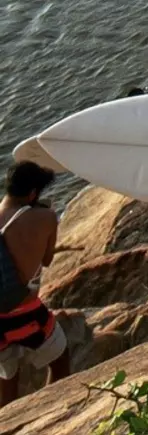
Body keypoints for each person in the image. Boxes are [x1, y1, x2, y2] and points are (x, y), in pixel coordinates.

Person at [0, 162, 70, 404]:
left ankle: (7, 429)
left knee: (7, 378)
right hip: (24, 313)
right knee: (60, 359)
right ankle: (51, 412)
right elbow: (48, 260)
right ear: (32, 194)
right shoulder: (46, 217)